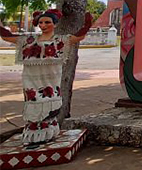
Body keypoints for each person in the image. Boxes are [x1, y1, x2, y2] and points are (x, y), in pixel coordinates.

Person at [0, 10, 92, 147]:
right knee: (34, 101)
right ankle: (35, 133)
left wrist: (87, 24)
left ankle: (47, 131)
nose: (43, 25)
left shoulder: (59, 41)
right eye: (41, 22)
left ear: (54, 24)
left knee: (49, 101)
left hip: (51, 80)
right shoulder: (29, 41)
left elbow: (78, 36)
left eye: (47, 22)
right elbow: (8, 37)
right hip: (31, 80)